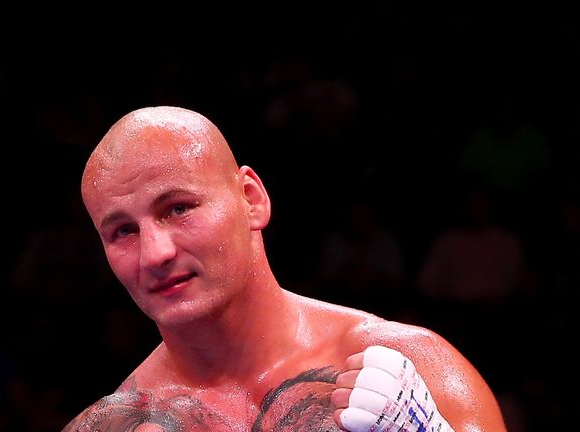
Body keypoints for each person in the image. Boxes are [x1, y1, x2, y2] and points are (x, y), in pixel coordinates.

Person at [61, 106, 507, 431]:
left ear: (251, 200)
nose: (154, 253)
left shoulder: (410, 366)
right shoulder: (111, 426)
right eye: (122, 232)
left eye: (178, 208)